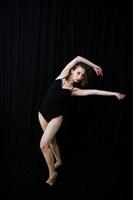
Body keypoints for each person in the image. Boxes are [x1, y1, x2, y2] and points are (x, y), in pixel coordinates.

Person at [38, 56, 126, 186]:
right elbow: (78, 58)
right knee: (52, 141)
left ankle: (52, 174)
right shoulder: (61, 76)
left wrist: (115, 94)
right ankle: (59, 161)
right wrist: (94, 65)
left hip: (55, 117)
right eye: (78, 73)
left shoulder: (74, 91)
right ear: (72, 71)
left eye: (82, 75)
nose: (79, 76)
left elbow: (95, 92)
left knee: (43, 145)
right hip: (42, 113)